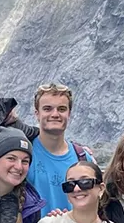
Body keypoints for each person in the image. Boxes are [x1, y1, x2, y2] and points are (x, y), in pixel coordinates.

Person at [26, 83, 94, 214]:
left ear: (69, 114)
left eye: (62, 109)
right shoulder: (24, 155)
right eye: (47, 109)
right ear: (37, 114)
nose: (55, 114)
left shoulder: (84, 158)